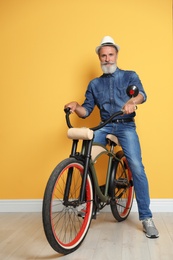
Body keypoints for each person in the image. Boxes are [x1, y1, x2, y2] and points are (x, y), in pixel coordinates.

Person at [64, 36, 159, 238]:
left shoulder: (129, 76)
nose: (107, 59)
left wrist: (133, 101)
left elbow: (142, 94)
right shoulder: (94, 84)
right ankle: (92, 202)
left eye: (110, 55)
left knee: (136, 166)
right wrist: (76, 106)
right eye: (103, 56)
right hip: (104, 127)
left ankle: (146, 217)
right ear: (100, 58)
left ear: (116, 56)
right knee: (85, 156)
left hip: (125, 127)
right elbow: (86, 110)